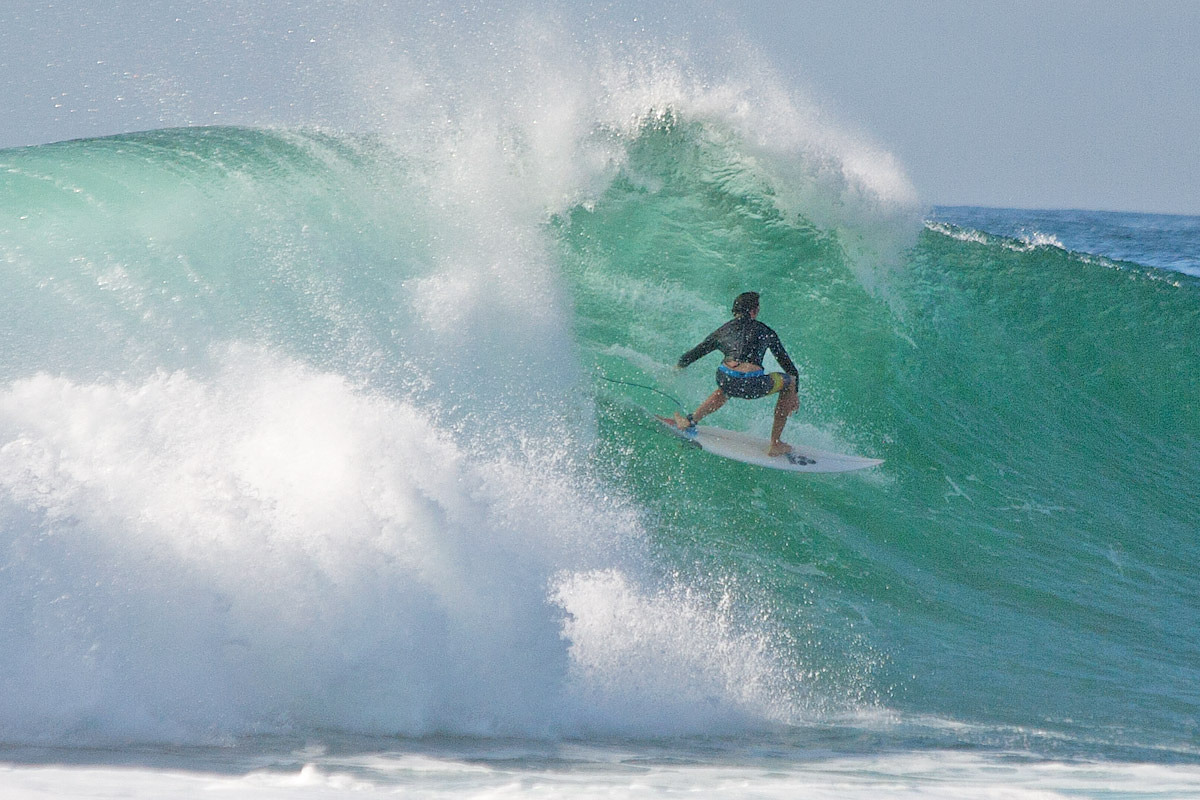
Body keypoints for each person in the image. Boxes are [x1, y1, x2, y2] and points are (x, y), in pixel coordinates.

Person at [672, 291, 800, 456]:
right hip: (753, 384)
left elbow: (693, 354)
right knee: (789, 381)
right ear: (754, 311)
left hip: (725, 378)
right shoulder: (766, 331)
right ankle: (775, 443)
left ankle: (690, 421)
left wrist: (678, 367)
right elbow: (791, 370)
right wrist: (794, 394)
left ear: (735, 311)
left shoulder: (723, 331)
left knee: (725, 389)